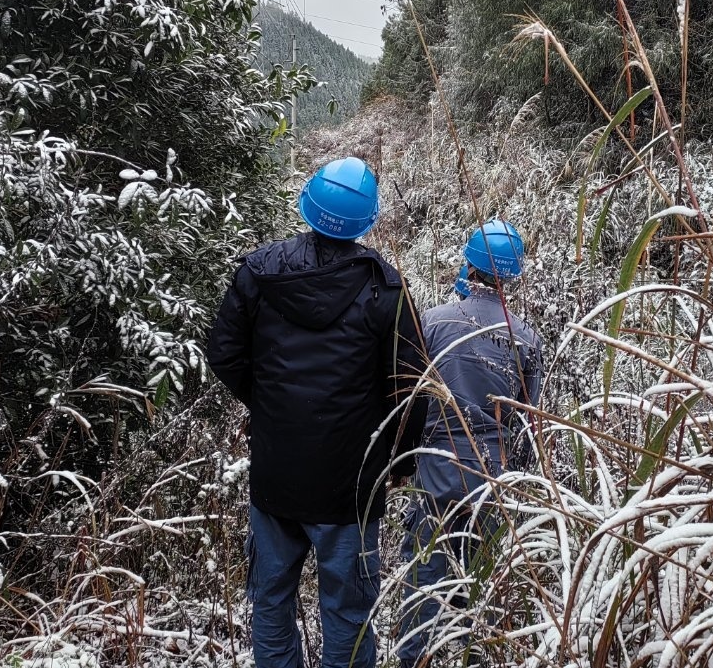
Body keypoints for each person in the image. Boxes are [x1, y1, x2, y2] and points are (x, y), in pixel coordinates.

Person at [207, 156, 427, 668]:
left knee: (271, 601)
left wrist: (268, 407)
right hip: (350, 489)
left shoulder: (258, 273)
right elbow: (412, 390)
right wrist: (398, 463)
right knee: (348, 612)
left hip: (275, 479)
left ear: (308, 204)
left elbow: (224, 355)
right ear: (366, 220)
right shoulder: (385, 290)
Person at [396, 219, 542, 668]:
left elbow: (408, 394)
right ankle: (476, 655)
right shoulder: (526, 338)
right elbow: (527, 412)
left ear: (469, 264)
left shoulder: (434, 322)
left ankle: (414, 656)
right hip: (492, 467)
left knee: (424, 567)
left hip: (437, 460)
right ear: (512, 275)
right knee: (483, 573)